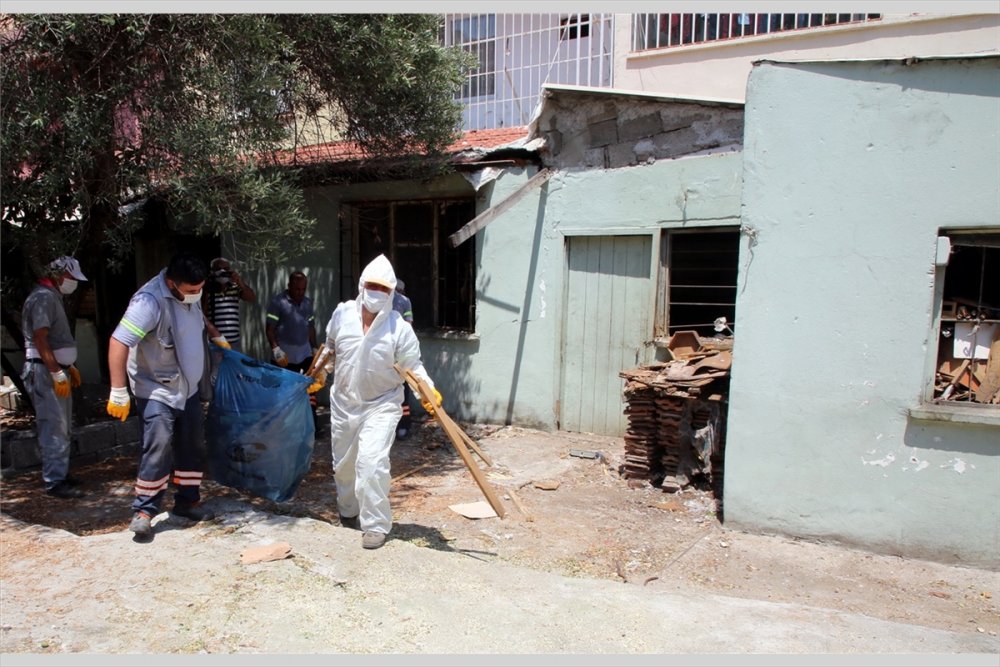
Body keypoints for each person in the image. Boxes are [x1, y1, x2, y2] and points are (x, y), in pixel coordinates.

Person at [318, 254, 441, 550]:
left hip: (382, 405)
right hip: (344, 403)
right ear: (361, 285)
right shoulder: (342, 315)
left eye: (383, 288)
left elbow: (412, 366)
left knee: (371, 463)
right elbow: (330, 349)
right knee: (343, 468)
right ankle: (348, 512)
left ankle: (374, 525)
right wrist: (321, 370)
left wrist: (428, 389)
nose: (376, 292)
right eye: (372, 285)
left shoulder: (399, 328)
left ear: (391, 293)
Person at [106, 251, 227, 538]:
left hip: (188, 389)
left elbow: (198, 318)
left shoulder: (189, 295)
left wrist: (215, 335)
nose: (197, 294)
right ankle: (145, 510)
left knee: (193, 446)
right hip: (156, 388)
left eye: (201, 289)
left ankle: (187, 501)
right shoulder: (149, 302)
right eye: (192, 291)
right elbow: (119, 341)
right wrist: (118, 389)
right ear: (172, 283)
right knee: (158, 444)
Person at [20, 256, 89, 499]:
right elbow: (41, 338)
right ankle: (54, 481)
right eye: (71, 278)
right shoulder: (43, 297)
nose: (74, 283)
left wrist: (66, 367)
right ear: (59, 274)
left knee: (61, 425)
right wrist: (56, 370)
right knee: (53, 426)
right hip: (44, 370)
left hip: (52, 368)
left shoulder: (51, 296)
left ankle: (60, 473)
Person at [266, 271, 317, 373]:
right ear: (289, 286)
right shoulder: (278, 302)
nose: (300, 292)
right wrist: (276, 349)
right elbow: (269, 329)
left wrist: (315, 348)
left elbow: (310, 327)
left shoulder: (307, 303)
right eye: (297, 289)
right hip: (284, 358)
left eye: (303, 289)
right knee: (284, 388)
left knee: (308, 387)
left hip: (305, 356)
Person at [202, 257, 256, 353]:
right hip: (215, 342)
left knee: (233, 367)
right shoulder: (208, 290)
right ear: (212, 271)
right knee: (216, 368)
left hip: (234, 341)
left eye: (226, 269)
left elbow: (251, 298)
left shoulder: (235, 287)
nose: (222, 271)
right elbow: (202, 313)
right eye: (218, 269)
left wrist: (240, 282)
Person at [392, 279, 415, 440]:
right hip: (401, 353)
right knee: (404, 389)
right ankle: (403, 426)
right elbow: (409, 324)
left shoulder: (383, 301)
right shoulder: (405, 301)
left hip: (384, 353)